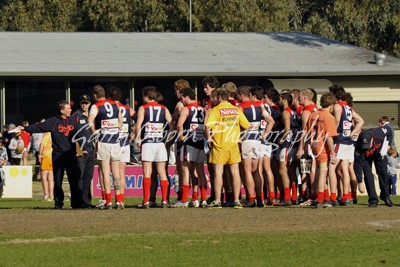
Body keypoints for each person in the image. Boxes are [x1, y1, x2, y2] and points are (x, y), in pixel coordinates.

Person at [21, 100, 79, 209]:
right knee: (58, 180)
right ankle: (58, 203)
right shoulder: (53, 121)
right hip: (58, 155)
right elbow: (38, 127)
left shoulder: (73, 121)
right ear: (62, 110)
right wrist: (25, 128)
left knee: (73, 180)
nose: (70, 110)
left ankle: (75, 203)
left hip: (71, 154)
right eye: (68, 108)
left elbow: (81, 133)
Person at [205, 87, 250, 209]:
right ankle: (236, 200)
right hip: (233, 145)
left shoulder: (216, 110)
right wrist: (241, 137)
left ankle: (218, 200)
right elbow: (247, 126)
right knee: (235, 172)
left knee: (218, 173)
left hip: (219, 145)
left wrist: (209, 139)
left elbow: (207, 126)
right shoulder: (235, 110)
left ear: (219, 97)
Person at [134, 86, 174, 208]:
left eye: (143, 96)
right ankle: (165, 200)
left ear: (147, 96)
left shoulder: (142, 108)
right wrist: (167, 139)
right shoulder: (164, 108)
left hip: (148, 143)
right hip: (160, 143)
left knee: (147, 172)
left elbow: (138, 125)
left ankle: (146, 201)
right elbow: (172, 125)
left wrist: (138, 138)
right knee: (162, 172)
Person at [89, 85, 123, 209]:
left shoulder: (96, 106)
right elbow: (120, 123)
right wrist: (113, 128)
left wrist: (95, 132)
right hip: (115, 141)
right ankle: (119, 201)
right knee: (116, 173)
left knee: (105, 172)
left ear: (95, 95)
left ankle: (108, 201)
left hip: (103, 142)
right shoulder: (115, 105)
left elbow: (90, 121)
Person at [174, 87, 207, 208]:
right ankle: (201, 199)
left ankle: (184, 200)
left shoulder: (186, 109)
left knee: (185, 171)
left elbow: (179, 125)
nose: (182, 100)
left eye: (182, 98)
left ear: (187, 96)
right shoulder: (203, 109)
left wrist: (181, 137)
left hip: (188, 143)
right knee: (200, 171)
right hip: (200, 142)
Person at [306, 92, 338, 207]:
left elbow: (307, 130)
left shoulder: (313, 114)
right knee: (323, 172)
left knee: (320, 170)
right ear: (331, 104)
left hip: (314, 145)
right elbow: (329, 137)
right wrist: (333, 153)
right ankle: (320, 199)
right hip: (322, 146)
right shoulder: (329, 117)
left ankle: (325, 197)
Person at [107, 87, 135, 209]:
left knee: (107, 171)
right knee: (121, 173)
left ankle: (106, 199)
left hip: (112, 143)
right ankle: (120, 200)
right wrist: (134, 134)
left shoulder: (108, 108)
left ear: (109, 97)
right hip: (125, 143)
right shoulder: (127, 109)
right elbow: (140, 118)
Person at [354, 126, 394, 207]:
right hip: (366, 158)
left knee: (383, 173)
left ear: (372, 139)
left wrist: (388, 145)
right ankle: (373, 200)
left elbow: (390, 130)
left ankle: (385, 196)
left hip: (379, 153)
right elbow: (358, 166)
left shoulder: (379, 133)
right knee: (368, 175)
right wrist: (359, 182)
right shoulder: (359, 146)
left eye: (368, 144)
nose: (367, 147)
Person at [70, 94, 95, 209]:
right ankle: (77, 202)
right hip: (80, 152)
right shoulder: (75, 116)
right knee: (78, 177)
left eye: (86, 103)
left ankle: (86, 203)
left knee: (88, 178)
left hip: (91, 150)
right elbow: (71, 135)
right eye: (82, 103)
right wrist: (77, 150)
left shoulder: (92, 116)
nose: (84, 105)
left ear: (90, 103)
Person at [39, 132, 54, 201]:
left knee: (44, 178)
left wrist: (39, 154)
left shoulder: (47, 135)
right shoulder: (53, 134)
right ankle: (51, 196)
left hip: (45, 157)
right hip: (52, 157)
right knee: (51, 179)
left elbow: (42, 145)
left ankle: (46, 195)